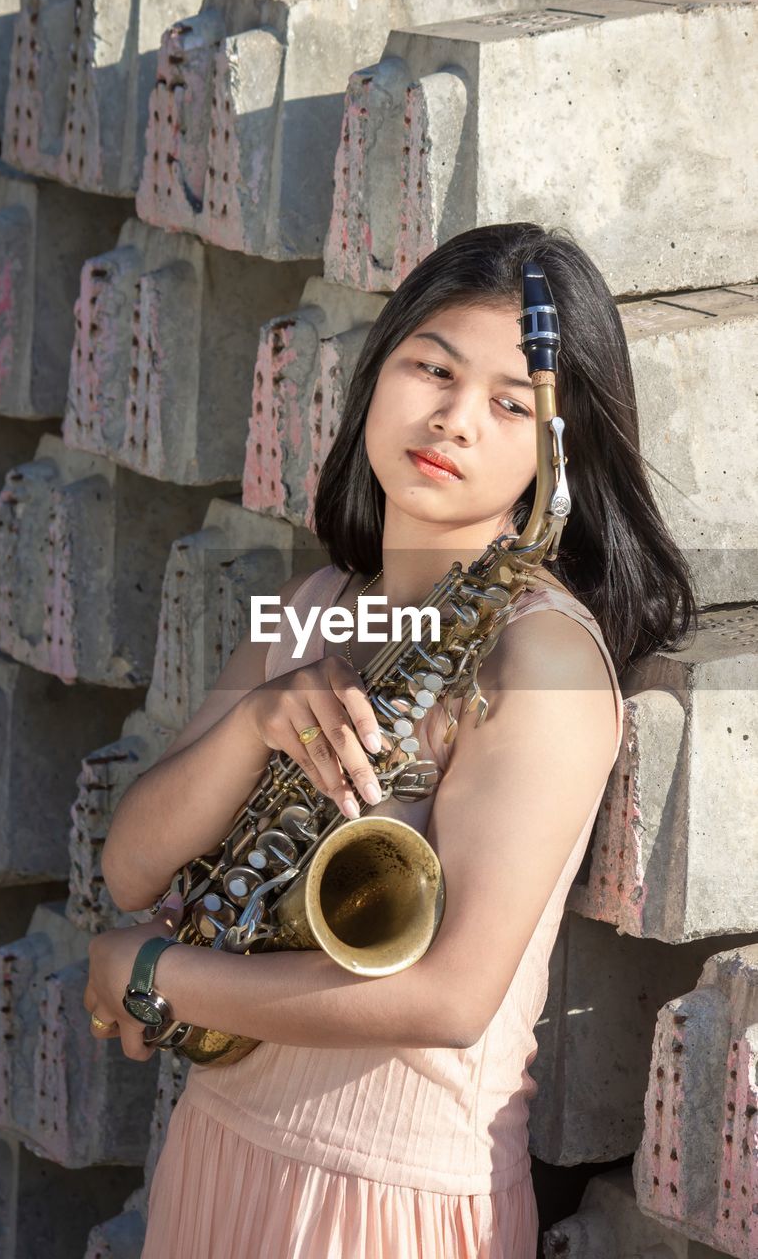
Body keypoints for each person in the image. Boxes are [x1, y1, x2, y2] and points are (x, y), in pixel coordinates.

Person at [84, 222, 696, 1258]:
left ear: (561, 452)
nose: (453, 420)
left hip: (383, 1206)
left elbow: (451, 995)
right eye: (432, 367)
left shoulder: (535, 656)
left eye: (509, 403)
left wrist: (161, 975)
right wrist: (255, 721)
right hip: (223, 1152)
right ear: (380, 369)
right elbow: (133, 860)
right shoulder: (326, 602)